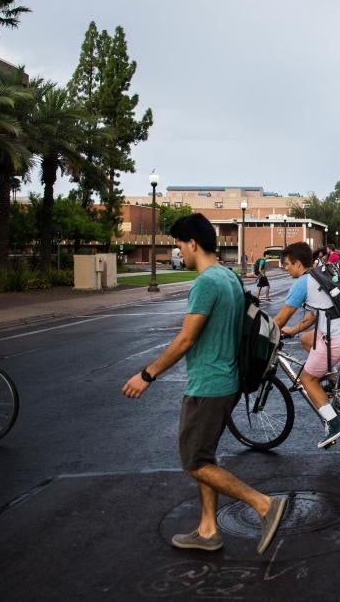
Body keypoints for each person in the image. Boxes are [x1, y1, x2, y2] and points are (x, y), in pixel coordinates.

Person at [121, 213, 288, 555]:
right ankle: (208, 529)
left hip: (208, 385)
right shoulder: (228, 278)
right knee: (205, 457)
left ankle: (263, 505)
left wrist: (146, 375)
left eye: (180, 245)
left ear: (192, 243)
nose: (179, 252)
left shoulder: (206, 283)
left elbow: (185, 340)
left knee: (195, 463)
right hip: (227, 381)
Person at [274, 241, 340, 448]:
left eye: (287, 264)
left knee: (307, 379)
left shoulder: (302, 282)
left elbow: (280, 318)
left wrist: (261, 332)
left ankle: (334, 424)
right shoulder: (318, 277)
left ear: (297, 263)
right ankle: (334, 381)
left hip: (339, 336)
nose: (285, 268)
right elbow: (312, 317)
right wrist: (294, 331)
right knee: (306, 339)